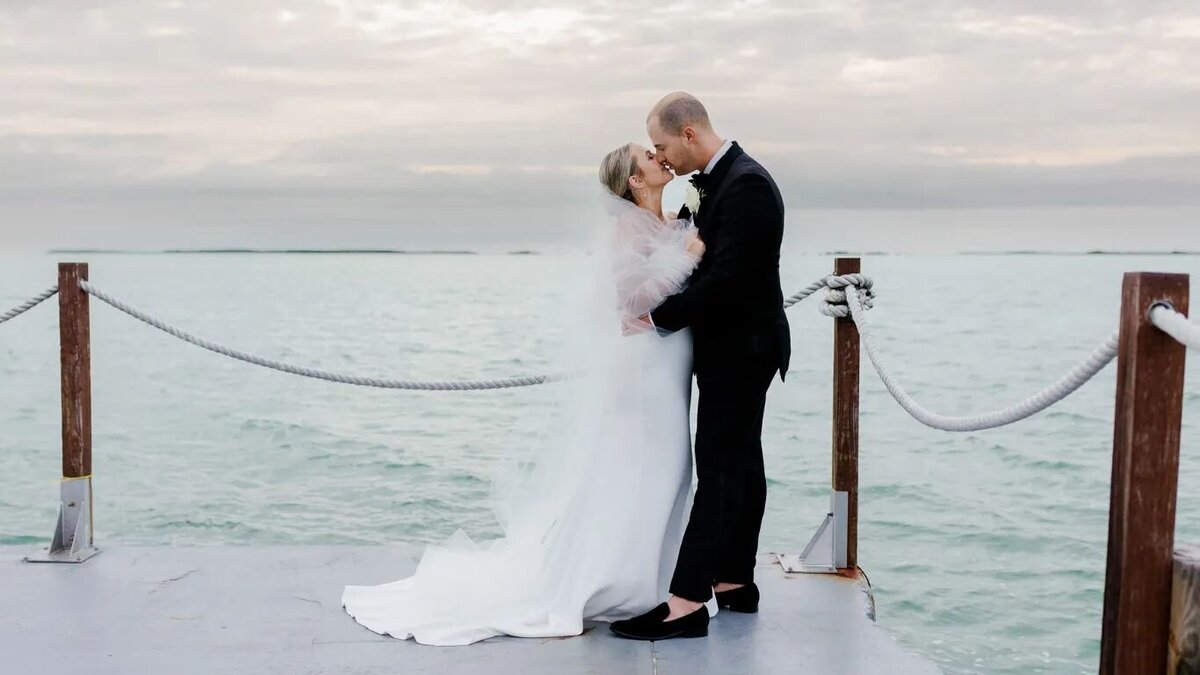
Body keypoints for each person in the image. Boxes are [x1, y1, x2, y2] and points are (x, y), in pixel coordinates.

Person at [341, 140, 710, 645]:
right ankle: (619, 579)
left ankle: (652, 577)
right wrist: (687, 260)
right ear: (634, 180)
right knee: (644, 465)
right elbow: (630, 298)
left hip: (668, 363)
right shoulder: (626, 226)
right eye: (647, 156)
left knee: (669, 468)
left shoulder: (666, 221)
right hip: (643, 367)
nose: (657, 156)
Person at [610, 92, 790, 641]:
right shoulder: (725, 181)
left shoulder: (748, 184)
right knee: (741, 464)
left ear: (689, 134)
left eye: (663, 145)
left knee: (718, 467)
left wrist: (657, 316)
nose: (662, 157)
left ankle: (686, 603)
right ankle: (735, 581)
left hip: (743, 346)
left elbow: (727, 279)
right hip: (736, 345)